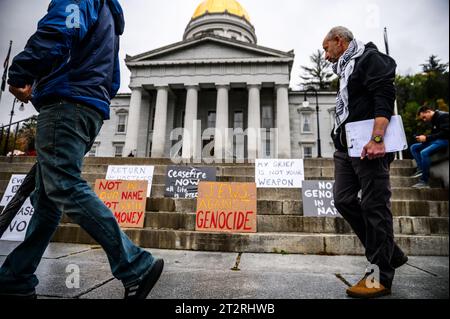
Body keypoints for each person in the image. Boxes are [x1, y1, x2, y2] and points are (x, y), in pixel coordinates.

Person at [0, 0, 163, 299]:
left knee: (63, 185)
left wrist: (21, 71)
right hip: (88, 107)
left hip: (66, 103)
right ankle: (16, 277)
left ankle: (135, 265)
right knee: (48, 199)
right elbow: (113, 79)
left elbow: (60, 28)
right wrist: (94, 99)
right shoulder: (108, 16)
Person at [322, 26, 408, 298]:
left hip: (369, 146)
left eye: (327, 49)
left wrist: (378, 138)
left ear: (339, 40)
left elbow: (384, 95)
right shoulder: (345, 71)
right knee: (343, 199)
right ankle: (389, 251)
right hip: (347, 148)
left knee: (374, 205)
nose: (325, 56)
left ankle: (379, 277)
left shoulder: (368, 58)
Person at [410, 106, 449, 188]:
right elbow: (434, 135)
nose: (424, 120)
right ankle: (421, 169)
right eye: (422, 119)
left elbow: (446, 133)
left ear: (428, 111)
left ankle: (424, 181)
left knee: (424, 153)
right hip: (438, 140)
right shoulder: (433, 120)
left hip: (445, 140)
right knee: (414, 147)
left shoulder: (443, 116)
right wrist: (424, 138)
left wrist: (427, 138)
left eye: (424, 117)